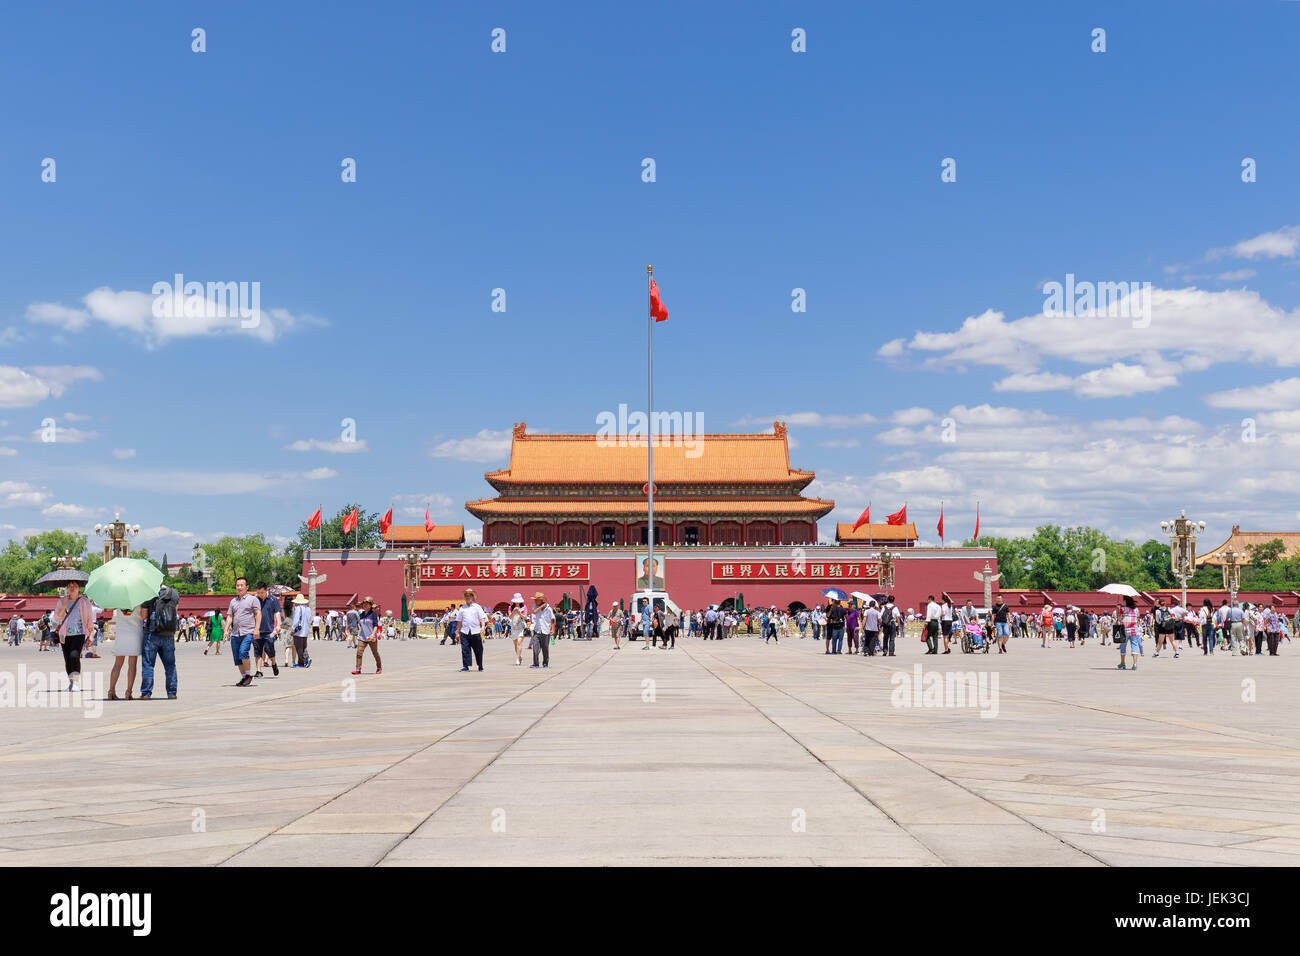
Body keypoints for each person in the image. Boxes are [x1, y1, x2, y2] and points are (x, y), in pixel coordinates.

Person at [51, 581, 96, 692]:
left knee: (74, 655)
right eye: (70, 586)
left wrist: (91, 634)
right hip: (65, 634)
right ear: (67, 588)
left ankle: (76, 682)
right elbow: (56, 618)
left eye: (74, 586)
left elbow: (90, 619)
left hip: (79, 633)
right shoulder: (62, 601)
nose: (72, 588)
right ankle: (71, 683)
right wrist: (64, 607)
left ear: (79, 588)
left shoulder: (84, 601)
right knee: (67, 659)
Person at [139, 583, 180, 700]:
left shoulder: (148, 594)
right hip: (168, 633)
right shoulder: (174, 593)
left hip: (152, 634)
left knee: (148, 664)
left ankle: (146, 693)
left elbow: (143, 616)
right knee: (170, 665)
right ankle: (172, 693)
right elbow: (175, 612)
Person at [223, 577, 262, 688]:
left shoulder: (252, 599)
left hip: (248, 631)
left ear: (247, 587)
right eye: (237, 585)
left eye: (242, 585)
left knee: (243, 652)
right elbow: (230, 616)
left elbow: (258, 614)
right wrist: (226, 630)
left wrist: (257, 629)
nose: (239, 587)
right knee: (237, 657)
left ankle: (249, 675)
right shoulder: (233, 601)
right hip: (235, 633)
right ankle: (244, 677)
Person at [108, 606, 145, 699]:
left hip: (121, 633)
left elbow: (108, 608)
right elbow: (144, 616)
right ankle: (128, 692)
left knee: (117, 664)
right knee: (132, 664)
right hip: (134, 633)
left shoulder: (119, 599)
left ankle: (111, 690)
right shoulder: (140, 599)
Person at [253, 583, 282, 678]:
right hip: (257, 630)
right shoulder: (255, 600)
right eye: (258, 592)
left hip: (269, 631)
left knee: (270, 650)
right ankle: (259, 671)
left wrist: (278, 625)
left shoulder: (273, 599)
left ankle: (273, 663)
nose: (260, 594)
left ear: (266, 590)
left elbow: (277, 612)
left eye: (262, 592)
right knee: (257, 651)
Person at [455, 588, 488, 671]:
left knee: (478, 649)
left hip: (475, 631)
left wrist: (483, 627)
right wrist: (457, 632)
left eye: (469, 596)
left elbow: (482, 618)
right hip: (465, 631)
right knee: (465, 649)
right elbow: (459, 621)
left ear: (472, 597)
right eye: (466, 596)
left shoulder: (477, 607)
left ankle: (480, 665)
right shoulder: (462, 608)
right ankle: (466, 666)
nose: (467, 597)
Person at [352, 596, 383, 674]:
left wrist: (373, 634)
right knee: (359, 653)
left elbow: (376, 625)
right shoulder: (361, 614)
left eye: (367, 604)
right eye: (364, 604)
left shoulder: (373, 614)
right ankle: (358, 669)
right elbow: (360, 624)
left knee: (375, 653)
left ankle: (379, 668)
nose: (365, 605)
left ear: (370, 605)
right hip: (362, 636)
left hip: (371, 637)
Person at [1117, 595, 1141, 670]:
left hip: (1125, 630)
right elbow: (1137, 618)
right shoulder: (1136, 609)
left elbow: (1119, 619)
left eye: (1123, 600)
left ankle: (1123, 663)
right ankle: (1135, 664)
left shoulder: (1122, 609)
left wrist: (1119, 612)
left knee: (1123, 646)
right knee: (1134, 646)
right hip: (1134, 630)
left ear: (1125, 601)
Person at [530, 591, 553, 668]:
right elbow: (534, 612)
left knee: (545, 648)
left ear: (541, 600)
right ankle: (536, 663)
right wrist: (541, 606)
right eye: (535, 600)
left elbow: (552, 619)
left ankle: (545, 663)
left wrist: (552, 629)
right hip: (537, 630)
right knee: (535, 648)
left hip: (545, 631)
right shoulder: (535, 606)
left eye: (537, 600)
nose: (535, 601)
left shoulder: (549, 609)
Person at [290, 594, 312, 667]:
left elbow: (296, 620)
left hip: (298, 631)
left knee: (299, 647)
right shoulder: (308, 608)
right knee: (304, 646)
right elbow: (309, 619)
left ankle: (306, 658)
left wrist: (292, 629)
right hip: (305, 630)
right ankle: (301, 663)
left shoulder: (298, 608)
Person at [508, 593, 528, 665]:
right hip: (513, 627)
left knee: (519, 642)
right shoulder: (510, 607)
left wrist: (519, 613)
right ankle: (519, 656)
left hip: (521, 627)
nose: (517, 602)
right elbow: (510, 617)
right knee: (515, 644)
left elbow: (525, 617)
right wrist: (513, 611)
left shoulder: (524, 607)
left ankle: (517, 659)